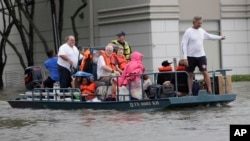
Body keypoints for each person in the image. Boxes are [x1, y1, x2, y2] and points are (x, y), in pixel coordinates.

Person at [181, 16, 226, 94]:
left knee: (205, 72)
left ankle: (209, 90)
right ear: (194, 22)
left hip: (201, 56)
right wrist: (185, 58)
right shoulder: (188, 31)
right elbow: (183, 44)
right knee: (190, 74)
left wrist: (220, 37)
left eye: (201, 23)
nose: (200, 24)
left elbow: (210, 36)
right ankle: (190, 92)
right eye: (199, 23)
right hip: (190, 56)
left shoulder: (201, 31)